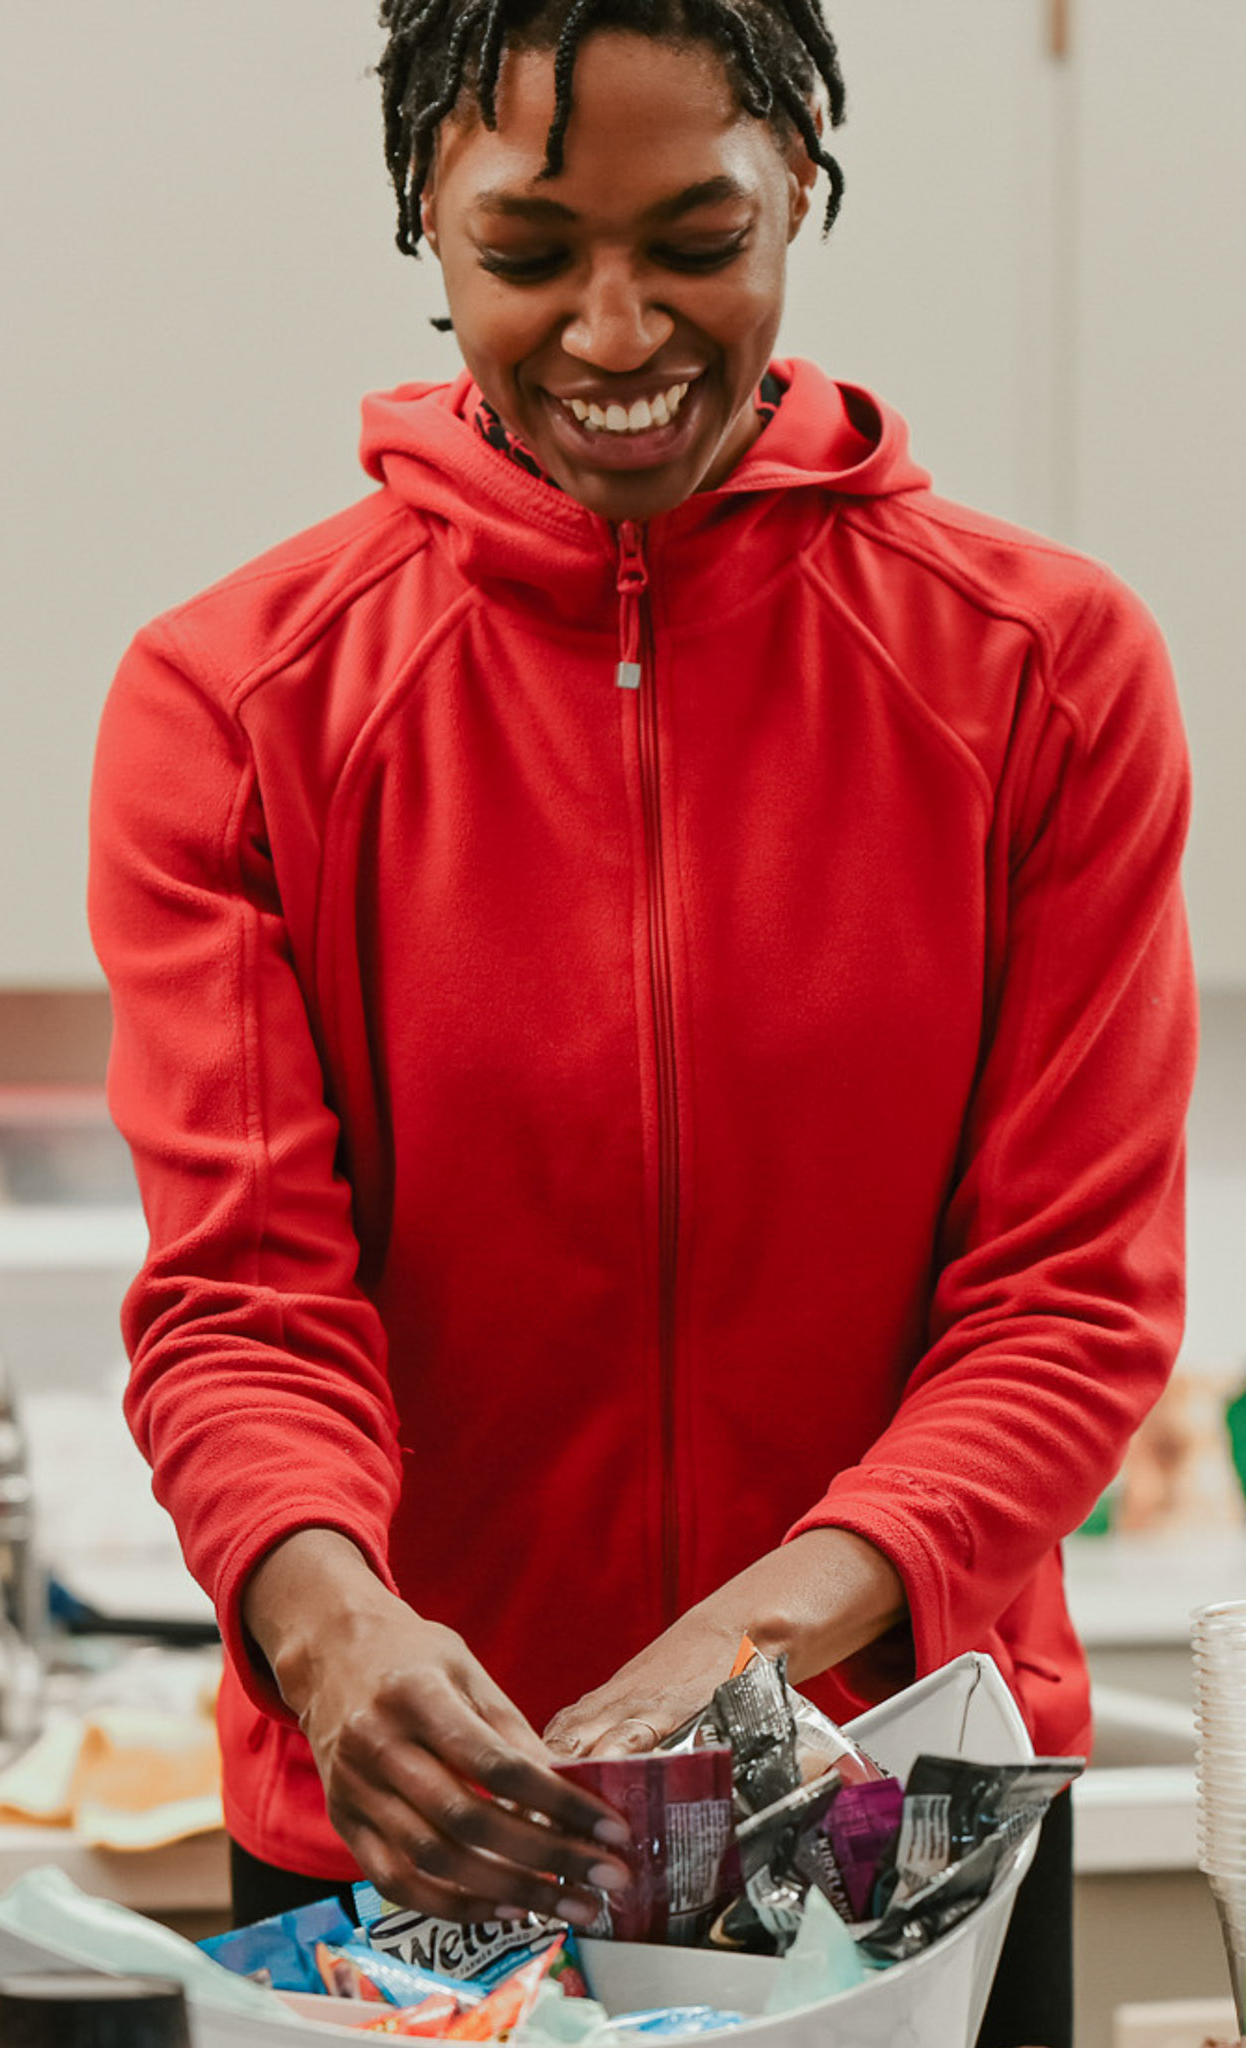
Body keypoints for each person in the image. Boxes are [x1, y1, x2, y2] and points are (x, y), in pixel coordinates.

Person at [85, 4, 1195, 2042]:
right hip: (416, 1822)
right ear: (426, 221)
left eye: (698, 241)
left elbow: (1068, 1299)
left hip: (883, 1806)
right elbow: (244, 1300)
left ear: (801, 192)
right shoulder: (236, 703)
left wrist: (753, 1645)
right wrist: (329, 1635)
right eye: (528, 253)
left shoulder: (1041, 672)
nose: (615, 330)